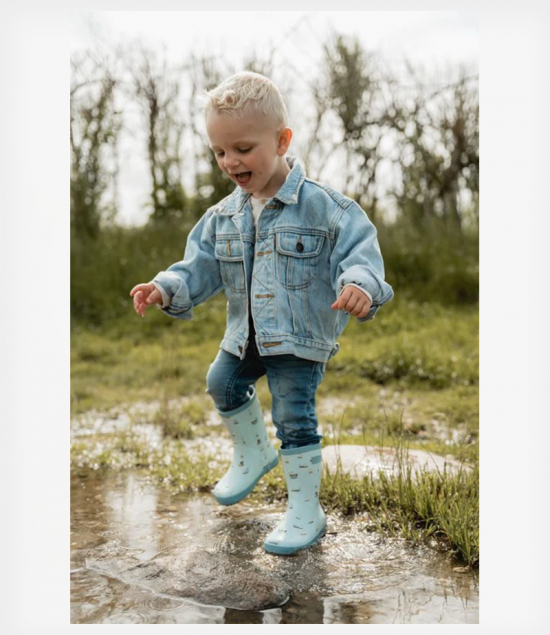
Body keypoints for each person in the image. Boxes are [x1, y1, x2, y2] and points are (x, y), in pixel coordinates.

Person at [130, 71, 394, 556]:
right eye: (219, 152)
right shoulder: (223, 216)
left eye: (243, 149)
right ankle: (253, 450)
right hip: (244, 335)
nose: (230, 162)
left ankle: (305, 510)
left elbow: (360, 253)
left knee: (293, 415)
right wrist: (164, 288)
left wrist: (359, 285)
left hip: (298, 338)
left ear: (282, 141)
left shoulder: (325, 208)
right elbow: (198, 266)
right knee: (221, 382)